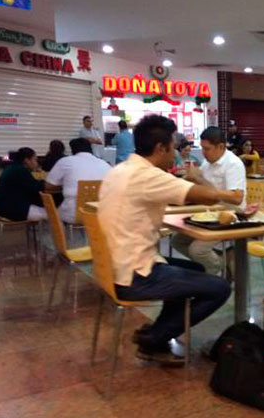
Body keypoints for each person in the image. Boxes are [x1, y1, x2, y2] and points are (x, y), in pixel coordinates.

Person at [98, 115, 240, 363]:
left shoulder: (120, 171)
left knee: (194, 268)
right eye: (172, 147)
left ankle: (158, 333)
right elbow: (200, 196)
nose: (175, 153)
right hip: (135, 274)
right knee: (220, 288)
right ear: (160, 148)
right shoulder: (148, 176)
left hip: (114, 266)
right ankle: (154, 338)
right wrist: (232, 195)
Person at [171, 127, 246, 275]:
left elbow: (237, 198)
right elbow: (205, 189)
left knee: (197, 250)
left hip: (231, 215)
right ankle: (222, 260)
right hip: (211, 212)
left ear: (221, 147)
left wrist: (200, 181)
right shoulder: (207, 163)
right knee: (177, 242)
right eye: (202, 148)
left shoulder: (233, 164)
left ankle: (215, 268)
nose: (204, 153)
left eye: (207, 149)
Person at [45, 138, 111, 224]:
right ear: (90, 149)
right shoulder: (105, 164)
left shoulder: (66, 161)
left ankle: (63, 236)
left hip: (74, 214)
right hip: (101, 212)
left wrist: (66, 185)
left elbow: (48, 186)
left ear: (72, 150)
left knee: (57, 211)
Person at [0, 147, 46, 221]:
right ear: (27, 160)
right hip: (13, 210)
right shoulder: (21, 171)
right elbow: (36, 188)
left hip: (3, 208)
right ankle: (59, 232)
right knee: (53, 213)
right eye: (35, 160)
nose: (37, 163)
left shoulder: (11, 167)